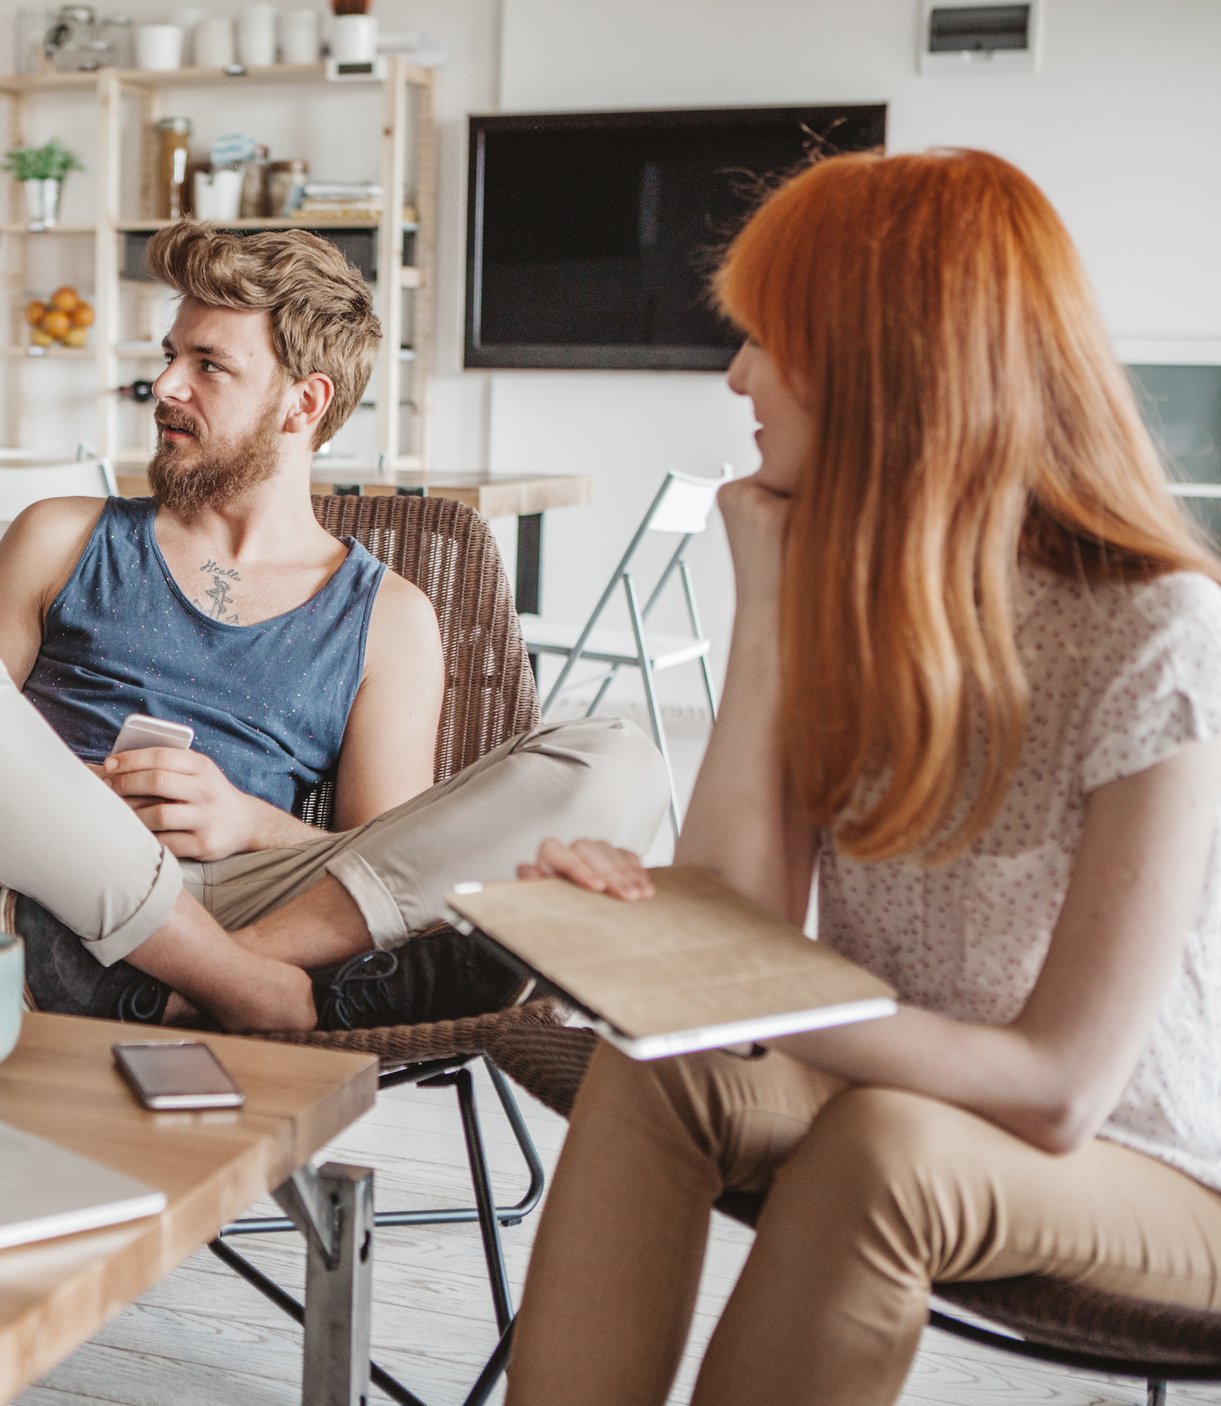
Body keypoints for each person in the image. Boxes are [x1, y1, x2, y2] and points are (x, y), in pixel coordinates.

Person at [503, 148, 1221, 1405]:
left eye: (769, 339)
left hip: (1154, 1166)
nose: (736, 376)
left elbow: (1060, 1092)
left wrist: (743, 996)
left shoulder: (1155, 634)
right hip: (892, 1095)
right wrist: (657, 935)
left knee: (885, 1149)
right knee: (657, 1060)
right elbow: (749, 922)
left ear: (891, 365)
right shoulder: (856, 599)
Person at [0, 222, 669, 1032]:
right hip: (33, 902)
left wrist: (247, 822)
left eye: (208, 365)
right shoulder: (60, 535)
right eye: (169, 356)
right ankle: (246, 991)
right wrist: (68, 796)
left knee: (617, 761)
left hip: (250, 894)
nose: (165, 386)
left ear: (301, 403)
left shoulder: (387, 617)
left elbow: (391, 853)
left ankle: (183, 983)